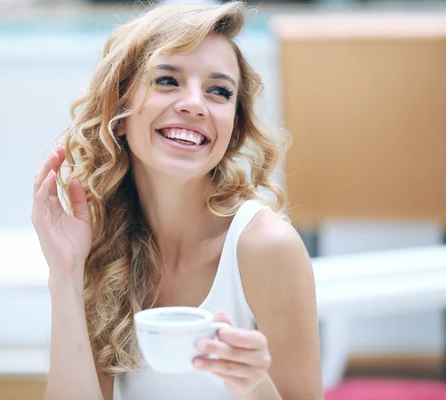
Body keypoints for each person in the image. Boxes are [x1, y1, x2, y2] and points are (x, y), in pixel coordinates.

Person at [32, 2, 322, 399]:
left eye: (219, 91)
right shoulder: (103, 245)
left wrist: (253, 382)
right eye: (167, 81)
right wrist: (65, 274)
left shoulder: (267, 249)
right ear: (120, 103)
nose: (194, 104)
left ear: (233, 124)